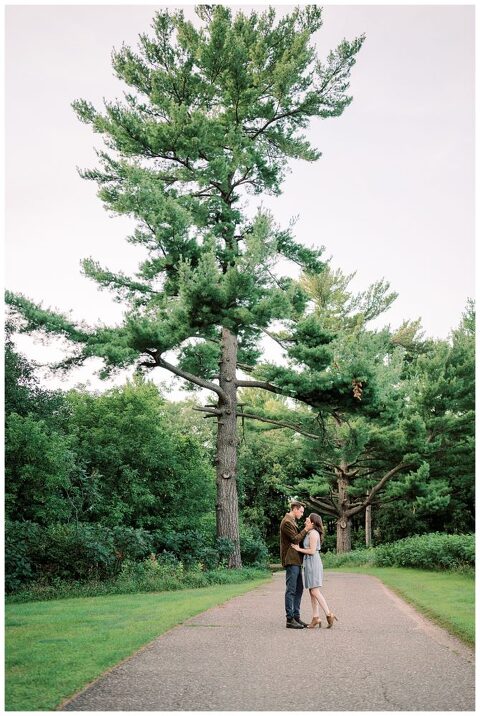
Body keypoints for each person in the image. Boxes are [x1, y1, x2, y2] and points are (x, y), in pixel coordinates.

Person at [291, 513, 338, 628]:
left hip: (313, 563)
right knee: (312, 592)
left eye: (307, 519)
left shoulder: (313, 534)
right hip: (309, 563)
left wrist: (298, 549)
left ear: (312, 522)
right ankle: (315, 617)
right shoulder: (309, 532)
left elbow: (312, 551)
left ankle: (328, 614)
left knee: (315, 591)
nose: (305, 519)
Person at [279, 500, 309, 629]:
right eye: (301, 511)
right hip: (291, 559)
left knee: (299, 588)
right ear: (295, 509)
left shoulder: (291, 521)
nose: (302, 514)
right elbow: (295, 539)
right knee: (291, 590)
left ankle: (296, 616)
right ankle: (289, 619)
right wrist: (306, 529)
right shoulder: (286, 522)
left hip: (296, 560)